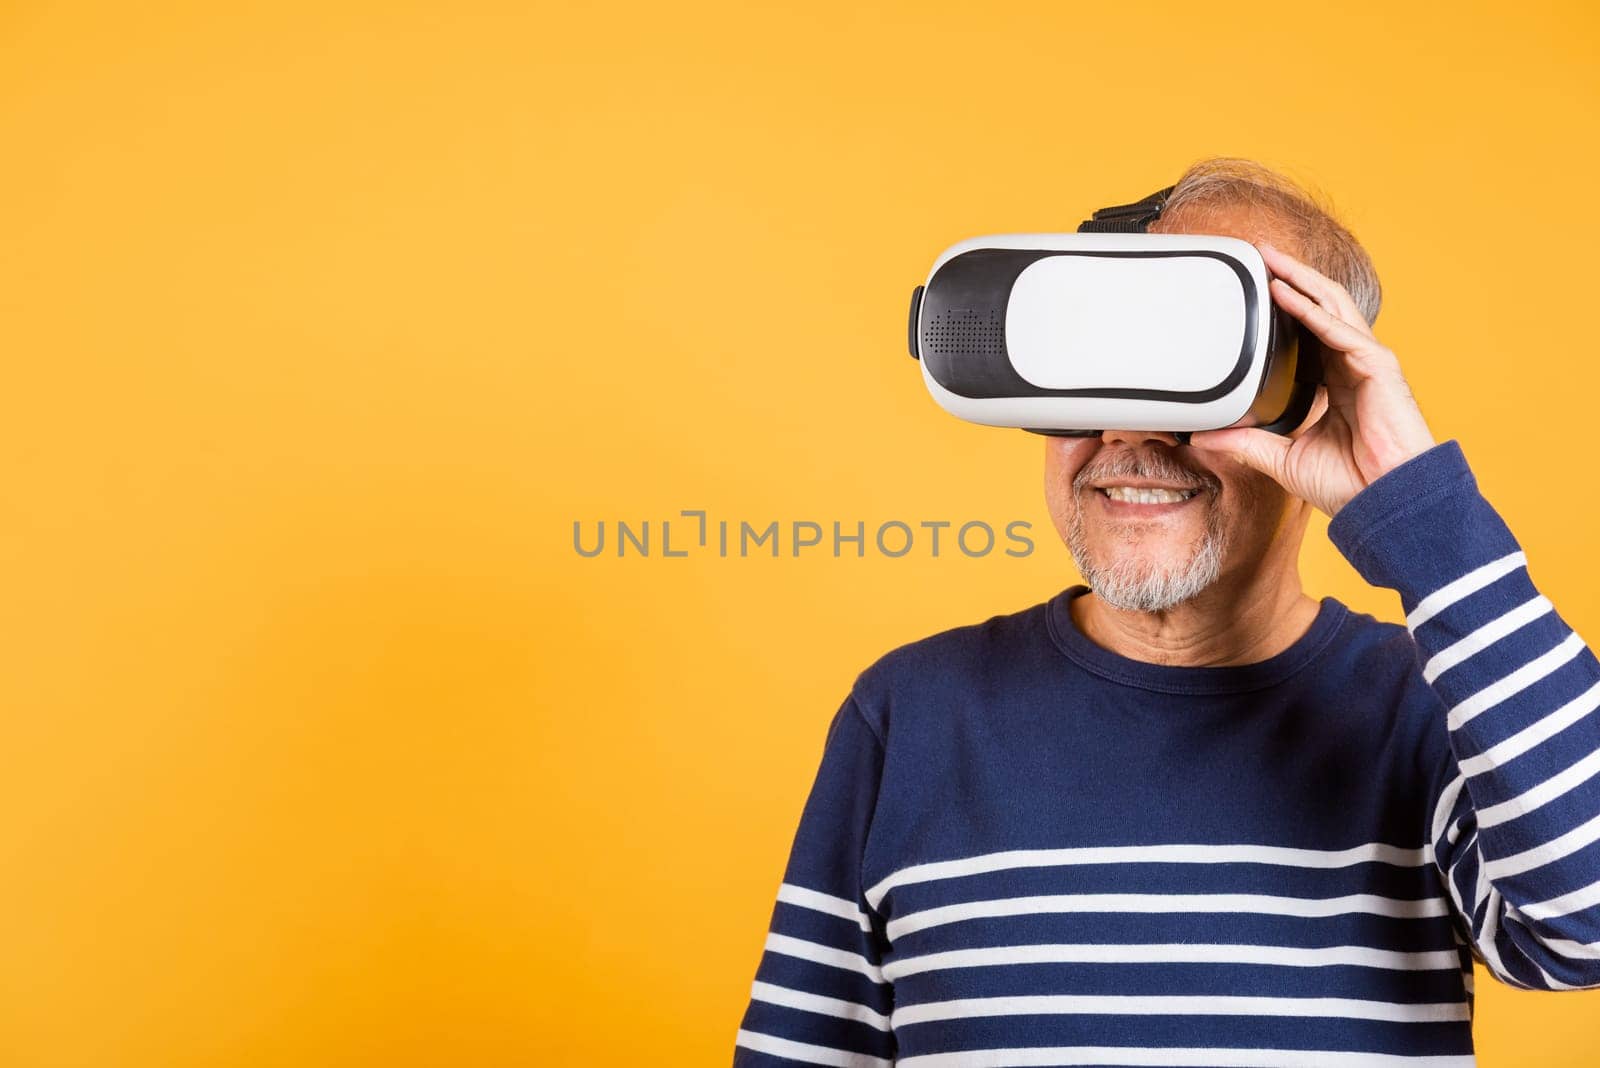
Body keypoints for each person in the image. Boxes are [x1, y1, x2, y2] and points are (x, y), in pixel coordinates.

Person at [730, 158, 1600, 1067]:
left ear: (1315, 393)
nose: (1128, 431)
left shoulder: (1439, 709)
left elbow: (1587, 928)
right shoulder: (908, 716)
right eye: (1088, 364)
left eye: (1195, 362)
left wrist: (1417, 509)